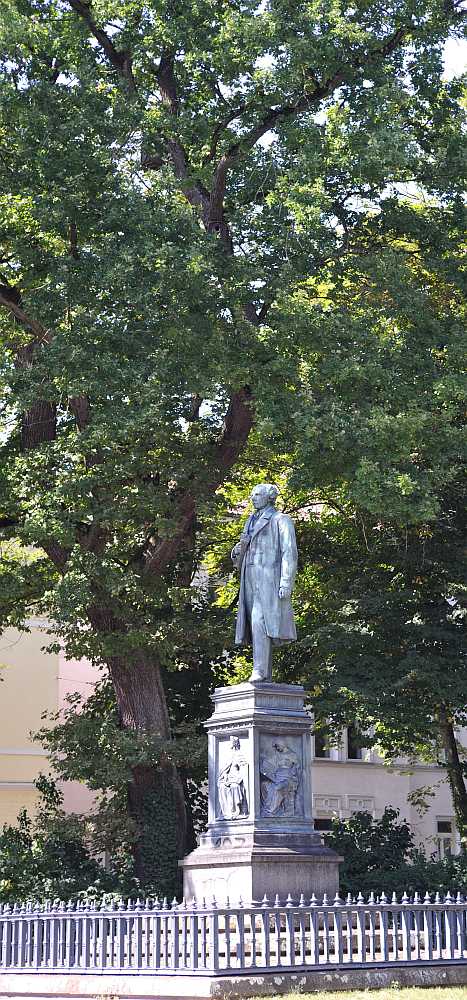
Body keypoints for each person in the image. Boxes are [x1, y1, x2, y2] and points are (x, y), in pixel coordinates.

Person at [231, 483, 298, 681]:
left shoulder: (280, 519)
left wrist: (286, 582)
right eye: (251, 494)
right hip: (249, 578)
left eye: (257, 494)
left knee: (260, 620)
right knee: (254, 623)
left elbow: (289, 552)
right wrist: (236, 551)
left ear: (269, 497)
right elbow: (242, 553)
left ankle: (259, 671)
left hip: (269, 580)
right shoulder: (250, 521)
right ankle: (263, 673)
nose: (252, 498)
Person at [217, 736, 249, 820]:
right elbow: (224, 769)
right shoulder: (229, 755)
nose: (233, 745)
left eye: (234, 743)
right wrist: (224, 776)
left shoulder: (239, 755)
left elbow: (244, 769)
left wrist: (237, 780)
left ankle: (237, 811)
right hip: (228, 778)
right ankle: (227, 813)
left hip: (237, 778)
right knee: (222, 787)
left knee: (234, 786)